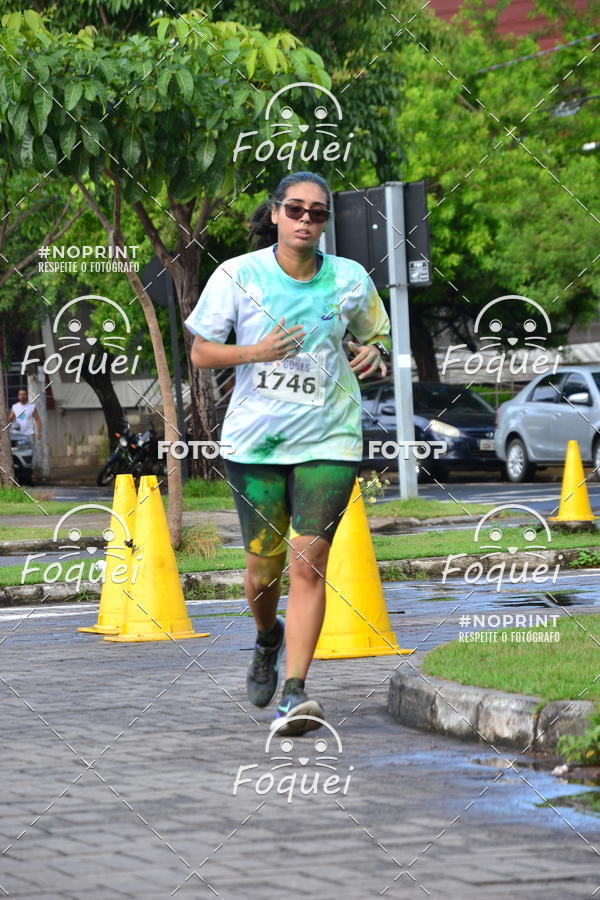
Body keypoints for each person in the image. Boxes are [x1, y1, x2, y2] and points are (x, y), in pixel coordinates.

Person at [185, 171, 392, 737]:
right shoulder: (238, 275)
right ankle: (267, 636)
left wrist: (374, 352)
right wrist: (257, 350)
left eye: (317, 213)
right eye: (295, 209)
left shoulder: (349, 280)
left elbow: (379, 335)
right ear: (275, 213)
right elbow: (201, 352)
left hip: (331, 437)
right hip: (256, 442)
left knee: (309, 560)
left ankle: (295, 692)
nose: (306, 220)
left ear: (326, 222)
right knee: (261, 570)